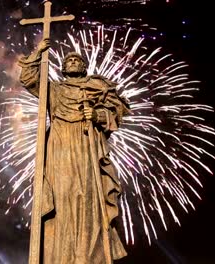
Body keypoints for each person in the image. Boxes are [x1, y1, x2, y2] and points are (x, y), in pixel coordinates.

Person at [18, 38, 129, 263]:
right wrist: (38, 52)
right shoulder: (55, 90)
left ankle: (87, 255)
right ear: (63, 67)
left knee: (88, 196)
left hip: (87, 145)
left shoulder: (97, 87)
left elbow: (118, 110)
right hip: (59, 146)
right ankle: (60, 254)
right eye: (69, 60)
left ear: (83, 66)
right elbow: (29, 79)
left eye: (77, 59)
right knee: (61, 196)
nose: (73, 61)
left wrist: (98, 115)